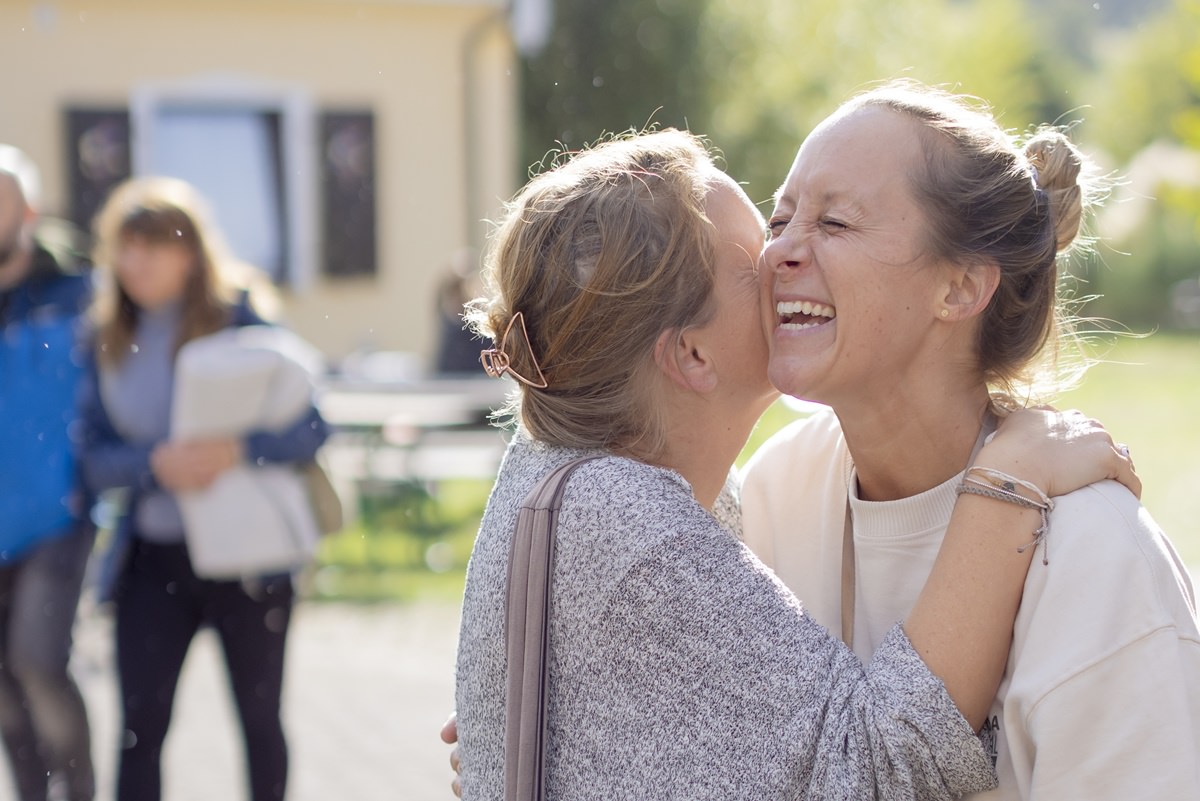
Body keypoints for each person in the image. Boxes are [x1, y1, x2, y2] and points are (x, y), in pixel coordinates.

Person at [452, 129, 1137, 799]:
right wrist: (1007, 474)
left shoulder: (571, 472)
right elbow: (884, 768)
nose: (783, 255)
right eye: (757, 258)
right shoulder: (635, 530)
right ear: (691, 355)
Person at [741, 80, 1200, 800]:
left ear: (959, 288)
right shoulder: (773, 497)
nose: (779, 255)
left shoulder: (1097, 559)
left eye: (834, 223)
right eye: (779, 219)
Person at [79, 176, 330, 801]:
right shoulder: (102, 336)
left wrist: (239, 449)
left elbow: (314, 427)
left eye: (153, 245)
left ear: (190, 252)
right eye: (125, 247)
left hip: (251, 561)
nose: (135, 261)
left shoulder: (242, 317)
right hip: (152, 560)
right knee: (140, 730)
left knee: (259, 722)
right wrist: (151, 465)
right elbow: (89, 458)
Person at [0, 144, 96, 801]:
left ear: (28, 210)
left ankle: (80, 789)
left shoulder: (80, 290)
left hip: (58, 515)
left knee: (37, 661)